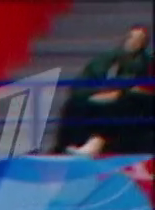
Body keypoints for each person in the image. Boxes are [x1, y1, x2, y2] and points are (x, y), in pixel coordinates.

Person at [60, 25, 153, 157]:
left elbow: (141, 87)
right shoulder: (106, 59)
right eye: (131, 38)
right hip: (98, 94)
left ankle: (96, 143)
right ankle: (68, 148)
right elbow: (82, 83)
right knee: (75, 104)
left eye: (139, 39)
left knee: (123, 106)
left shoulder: (146, 62)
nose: (134, 42)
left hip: (128, 100)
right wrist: (96, 94)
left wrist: (120, 93)